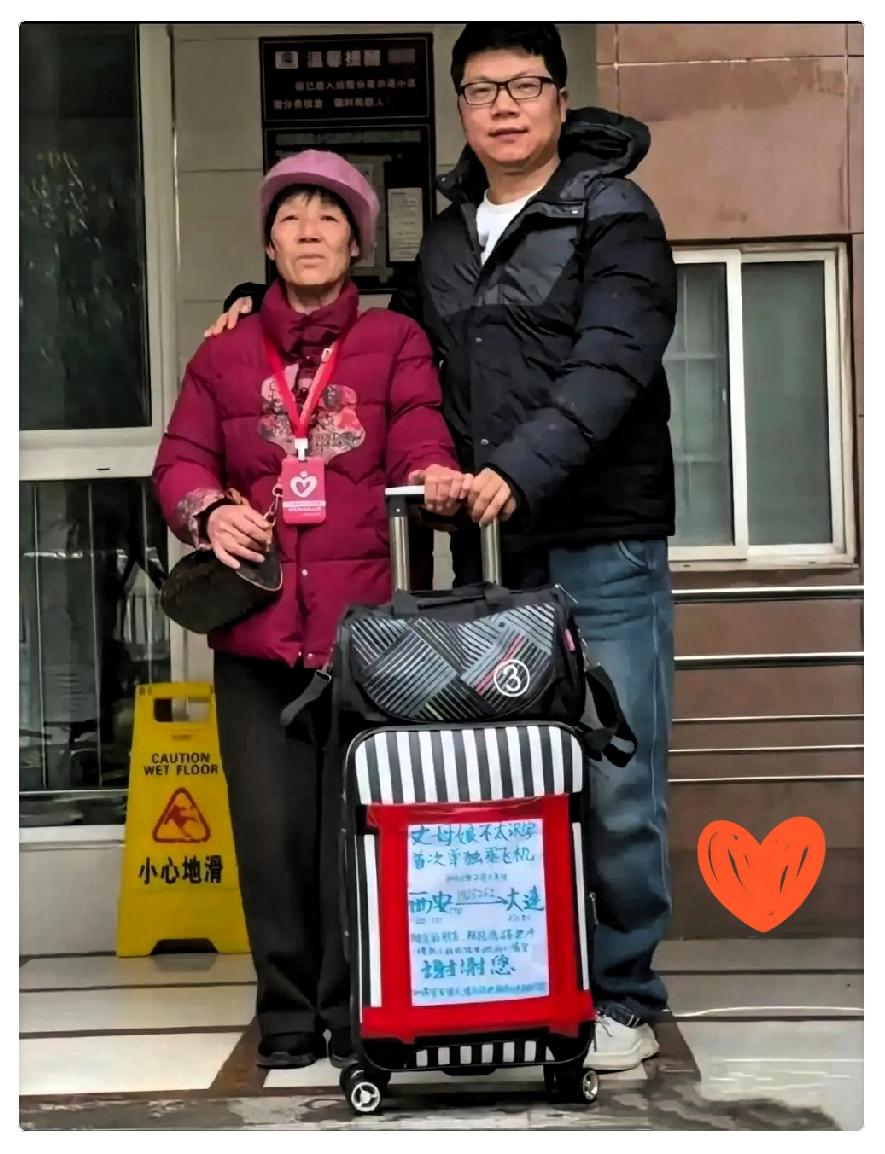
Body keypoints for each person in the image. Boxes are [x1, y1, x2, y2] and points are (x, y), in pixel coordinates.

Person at [209, 23, 677, 1074]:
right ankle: (521, 976)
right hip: (490, 554)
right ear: (460, 107)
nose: (502, 106)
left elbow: (612, 361)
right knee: (507, 771)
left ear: (559, 100)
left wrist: (518, 468)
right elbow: (381, 339)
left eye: (523, 85)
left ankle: (625, 993)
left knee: (614, 776)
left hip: (600, 540)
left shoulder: (615, 214)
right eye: (480, 89)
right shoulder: (452, 235)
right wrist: (256, 299)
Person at [154, 150, 468, 1070]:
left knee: (354, 826)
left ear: (357, 244)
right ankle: (286, 1012)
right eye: (290, 217)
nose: (309, 233)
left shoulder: (393, 342)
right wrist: (206, 510)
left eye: (329, 218)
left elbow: (417, 431)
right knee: (267, 833)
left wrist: (432, 472)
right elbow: (179, 459)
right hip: (254, 636)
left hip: (361, 635)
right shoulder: (221, 354)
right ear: (267, 242)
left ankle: (352, 1007)